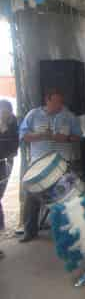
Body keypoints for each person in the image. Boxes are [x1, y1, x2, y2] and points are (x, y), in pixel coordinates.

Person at [19, 88, 82, 242]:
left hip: (63, 163)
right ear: (47, 100)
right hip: (38, 165)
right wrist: (40, 135)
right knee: (32, 196)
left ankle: (70, 231)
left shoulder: (69, 116)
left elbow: (78, 136)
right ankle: (30, 231)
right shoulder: (33, 115)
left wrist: (66, 138)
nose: (59, 105)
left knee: (68, 196)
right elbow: (23, 136)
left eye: (61, 102)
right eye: (56, 102)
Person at [0, 100, 18, 258]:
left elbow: (13, 148)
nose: (4, 114)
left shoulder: (12, 124)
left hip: (3, 165)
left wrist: (4, 128)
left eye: (6, 112)